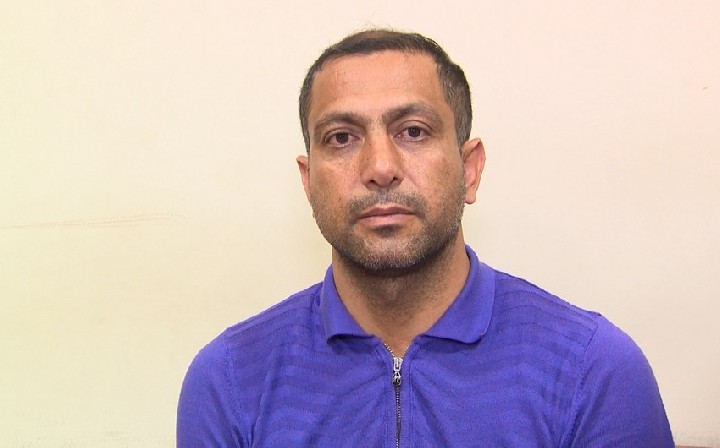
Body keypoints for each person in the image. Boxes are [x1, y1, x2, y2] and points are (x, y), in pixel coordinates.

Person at [177, 29, 673, 447]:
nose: (380, 167)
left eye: (413, 131)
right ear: (309, 184)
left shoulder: (593, 370)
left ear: (470, 169)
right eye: (342, 138)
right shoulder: (230, 381)